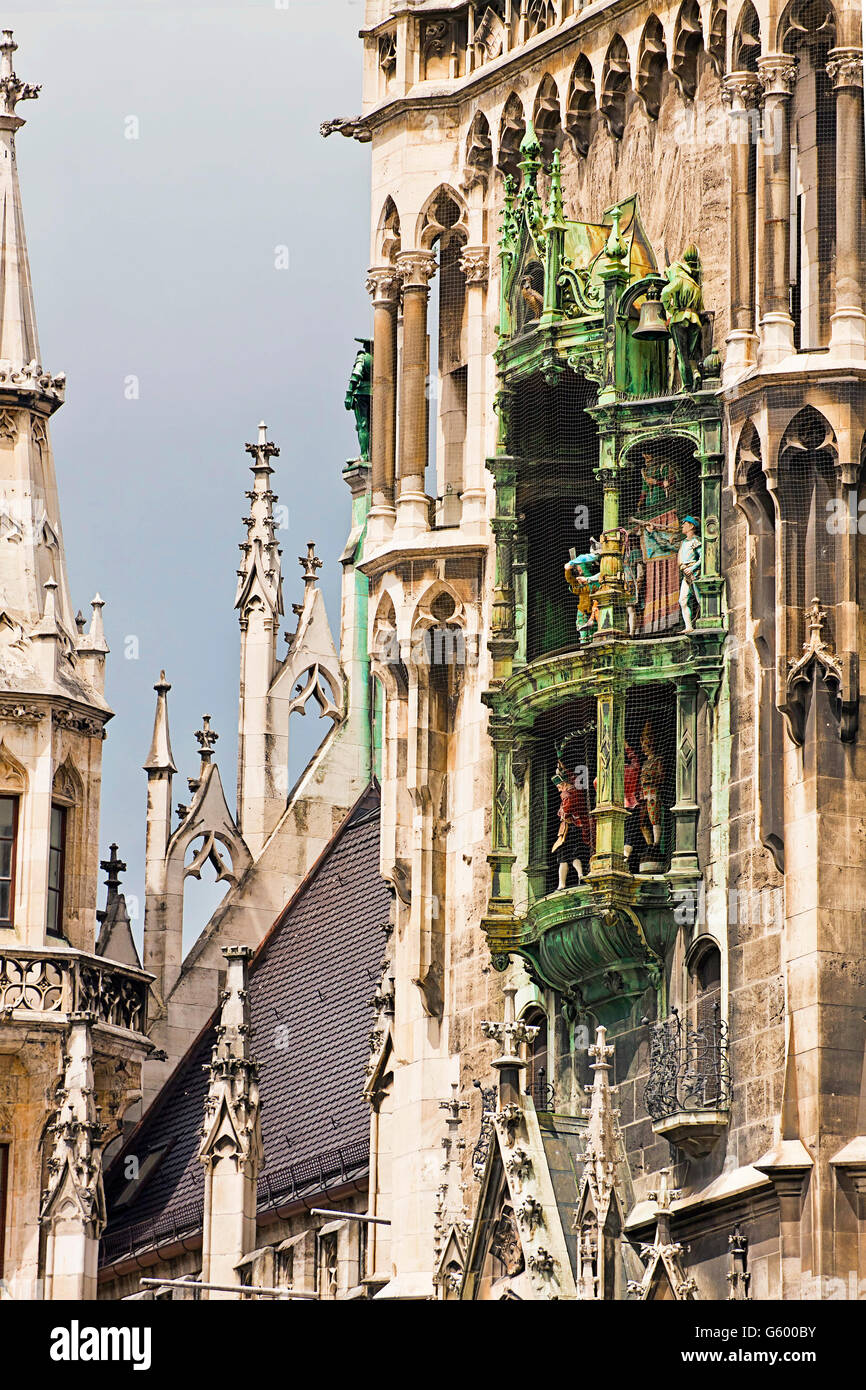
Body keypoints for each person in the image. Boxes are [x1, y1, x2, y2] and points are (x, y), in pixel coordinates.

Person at [660, 245, 705, 392]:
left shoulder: (679, 279)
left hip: (680, 318)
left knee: (681, 354)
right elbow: (700, 308)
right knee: (692, 354)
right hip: (694, 320)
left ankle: (685, 385)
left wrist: (671, 309)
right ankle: (696, 373)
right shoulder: (695, 286)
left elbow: (665, 292)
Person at [551, 758, 595, 888]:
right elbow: (570, 776)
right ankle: (580, 875)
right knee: (575, 854)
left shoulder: (567, 794)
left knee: (563, 856)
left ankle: (561, 884)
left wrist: (563, 812)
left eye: (559, 787)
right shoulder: (577, 789)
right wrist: (562, 767)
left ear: (563, 784)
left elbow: (565, 811)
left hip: (568, 829)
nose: (558, 790)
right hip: (577, 827)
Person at [345, 338, 373, 461]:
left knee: (363, 425)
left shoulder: (363, 357)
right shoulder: (381, 359)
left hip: (362, 394)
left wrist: (348, 394)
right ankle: (373, 456)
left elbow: (356, 374)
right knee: (374, 426)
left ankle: (364, 455)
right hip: (376, 395)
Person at [564, 552, 601, 644]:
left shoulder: (592, 582)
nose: (578, 569)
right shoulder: (580, 582)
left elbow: (571, 582)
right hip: (583, 612)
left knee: (593, 636)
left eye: (579, 567)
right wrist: (568, 570)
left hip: (594, 611)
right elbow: (570, 580)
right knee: (584, 637)